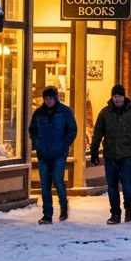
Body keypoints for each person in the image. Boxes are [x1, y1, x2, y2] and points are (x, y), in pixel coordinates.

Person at [89, 84, 131, 225]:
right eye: (115, 96)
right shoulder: (105, 113)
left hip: (127, 154)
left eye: (119, 96)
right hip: (110, 155)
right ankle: (115, 213)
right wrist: (94, 150)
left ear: (124, 96)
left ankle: (128, 208)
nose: (117, 99)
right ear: (112, 97)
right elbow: (98, 133)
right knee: (112, 186)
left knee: (127, 184)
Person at [28, 86, 77, 225]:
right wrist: (37, 143)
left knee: (57, 179)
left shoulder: (65, 112)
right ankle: (47, 214)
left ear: (56, 98)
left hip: (59, 153)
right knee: (45, 185)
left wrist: (64, 144)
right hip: (43, 153)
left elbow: (72, 130)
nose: (48, 101)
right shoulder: (39, 113)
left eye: (51, 98)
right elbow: (32, 130)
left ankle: (63, 204)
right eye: (46, 98)